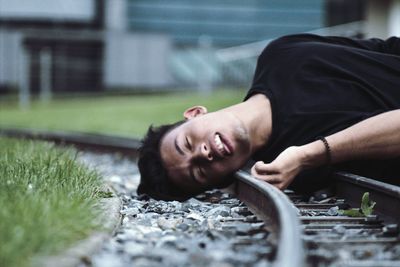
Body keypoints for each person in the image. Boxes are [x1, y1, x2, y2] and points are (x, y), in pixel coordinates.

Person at [137, 34, 400, 201]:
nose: (202, 154)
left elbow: (385, 48)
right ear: (225, 179)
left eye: (185, 144)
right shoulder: (299, 173)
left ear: (194, 113)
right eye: (199, 172)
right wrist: (308, 155)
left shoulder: (281, 53)